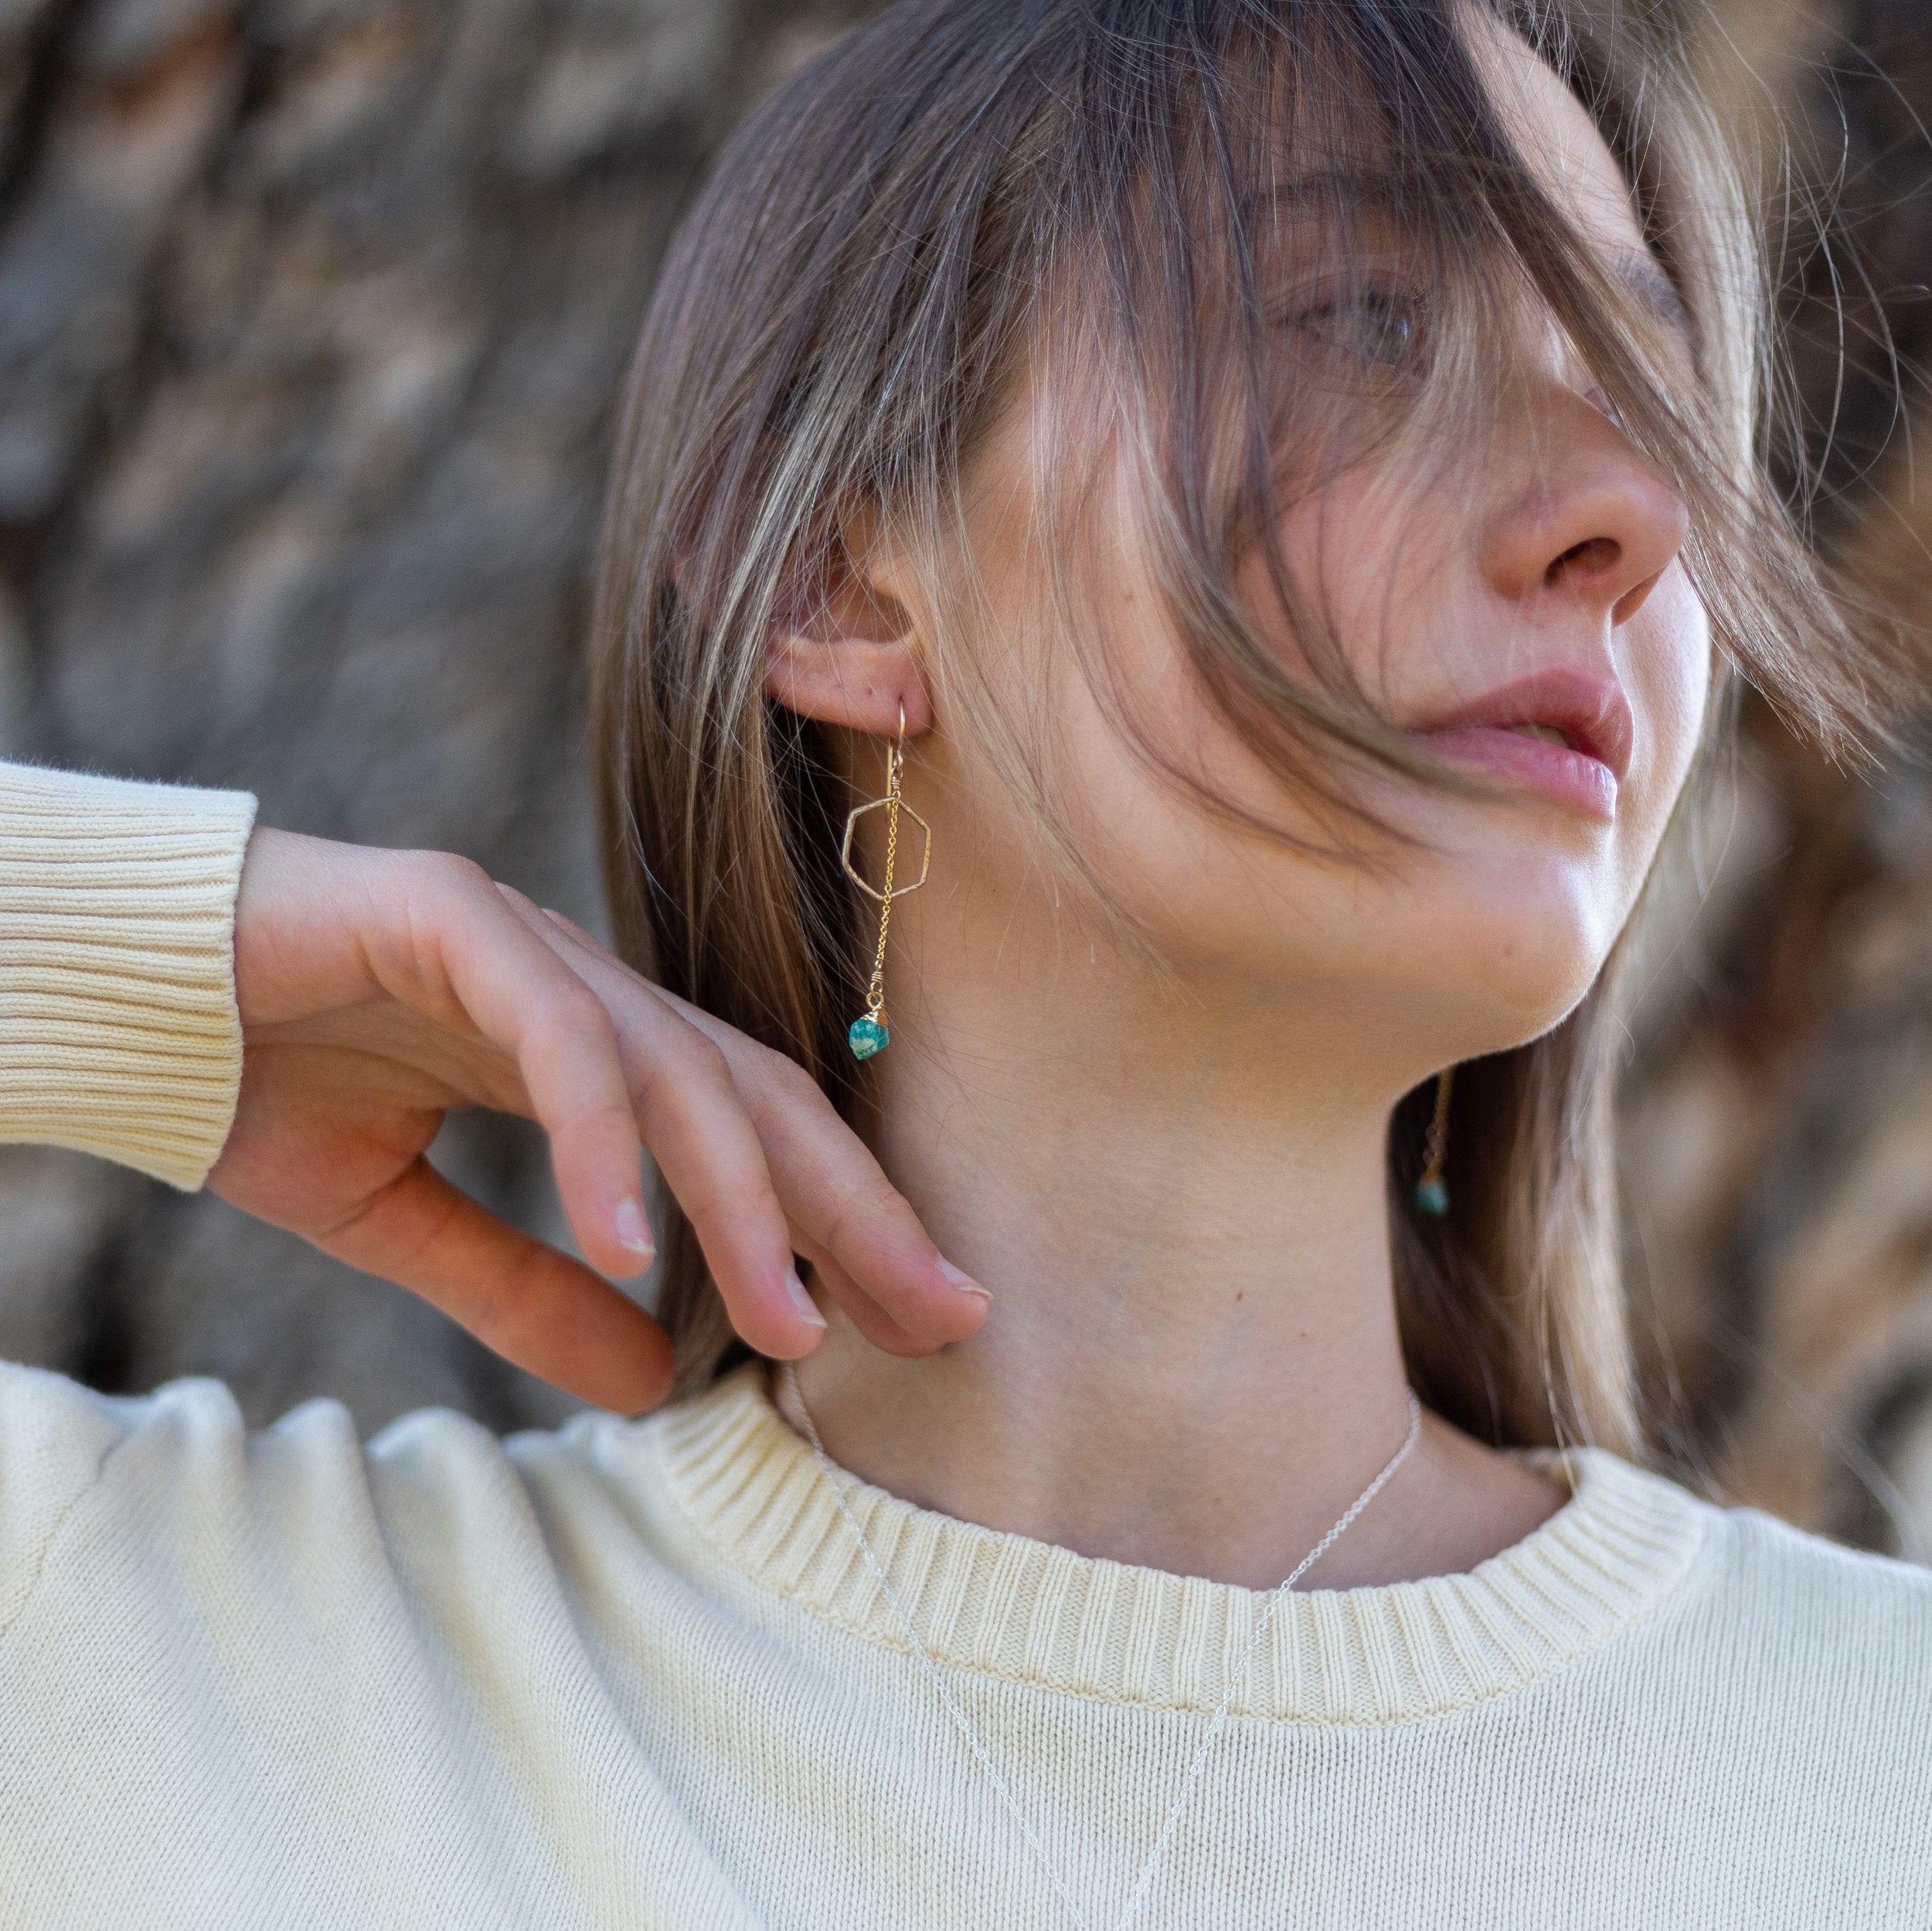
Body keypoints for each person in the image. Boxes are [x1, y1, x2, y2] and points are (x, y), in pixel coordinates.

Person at [0, 1, 1926, 1925]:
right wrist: (167, 952)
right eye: (1365, 322)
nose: (1636, 513)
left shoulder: (1873, 1772)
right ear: (832, 572)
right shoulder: (143, 1639)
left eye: (1644, 386)